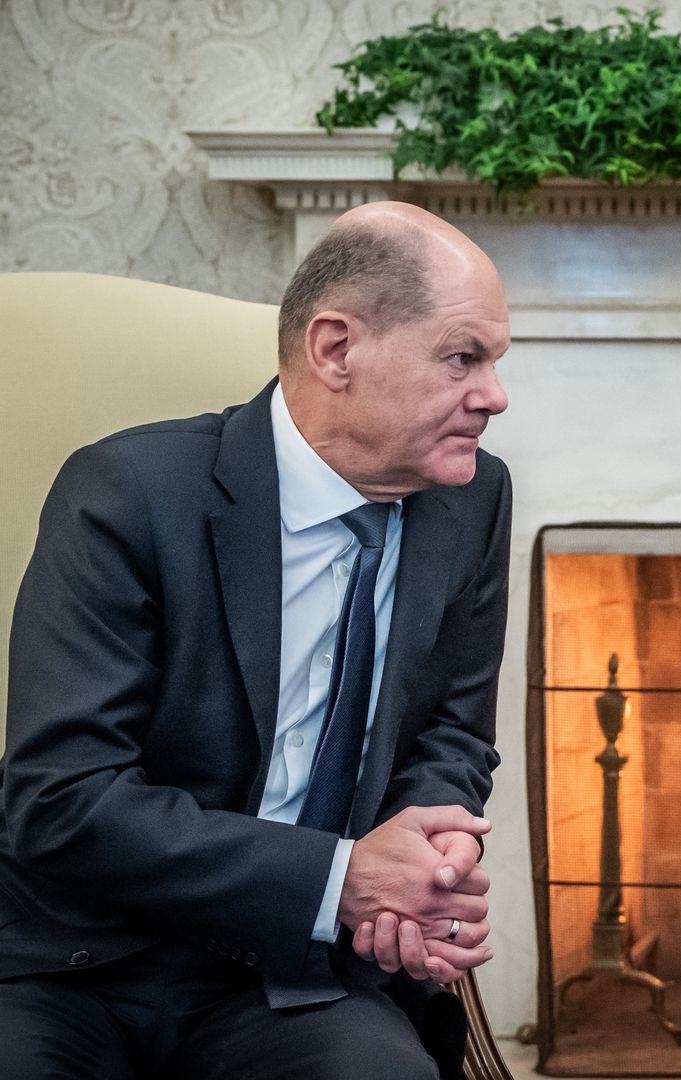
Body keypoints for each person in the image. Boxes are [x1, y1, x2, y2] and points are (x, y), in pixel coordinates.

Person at [0, 202, 514, 1079]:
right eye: (462, 357)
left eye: (495, 362)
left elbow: (453, 734)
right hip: (76, 960)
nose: (493, 396)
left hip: (294, 975)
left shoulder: (472, 499)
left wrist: (430, 859)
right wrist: (342, 879)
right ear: (336, 349)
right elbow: (62, 800)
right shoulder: (128, 493)